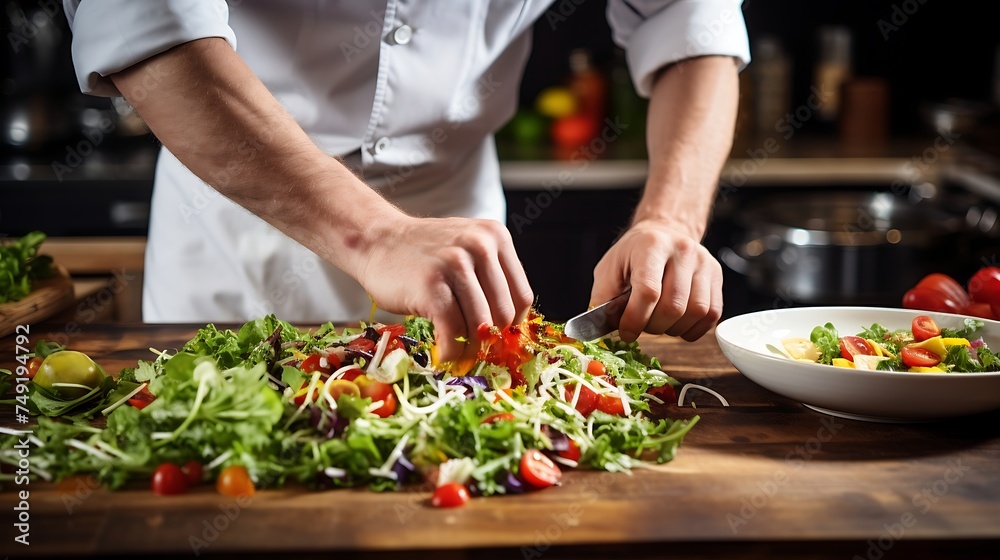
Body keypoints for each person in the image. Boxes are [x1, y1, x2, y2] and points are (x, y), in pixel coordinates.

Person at [61, 0, 749, 364]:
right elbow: (147, 27)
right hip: (238, 212)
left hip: (457, 214)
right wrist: (376, 234)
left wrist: (672, 220)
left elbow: (688, 16)